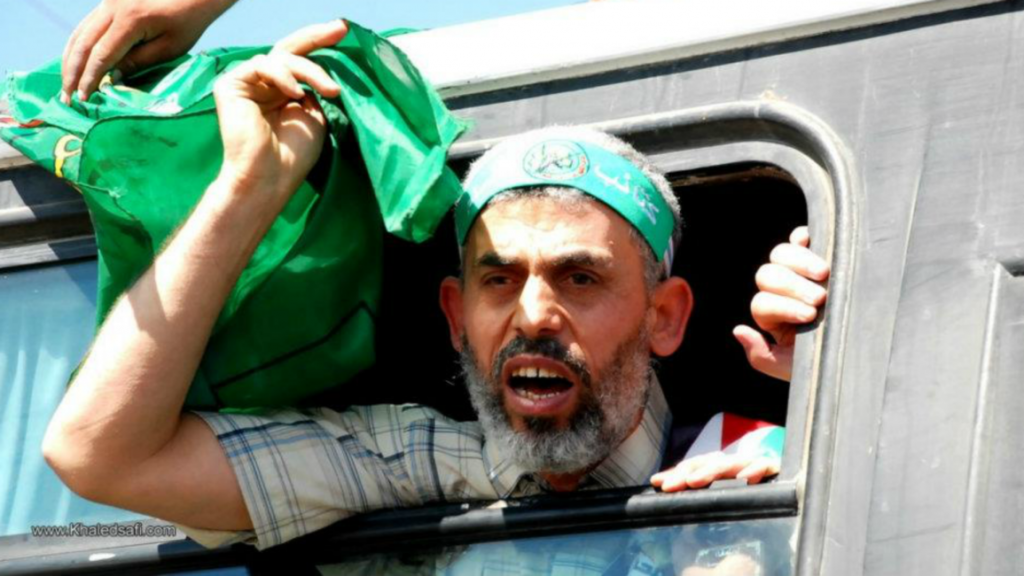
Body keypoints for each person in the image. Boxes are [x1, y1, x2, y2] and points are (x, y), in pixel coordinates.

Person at [42, 19, 830, 554]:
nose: (532, 316)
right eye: (498, 279)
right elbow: (98, 456)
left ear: (666, 317)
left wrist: (827, 408)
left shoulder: (755, 456)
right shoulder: (416, 465)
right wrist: (250, 188)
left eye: (579, 277)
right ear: (456, 316)